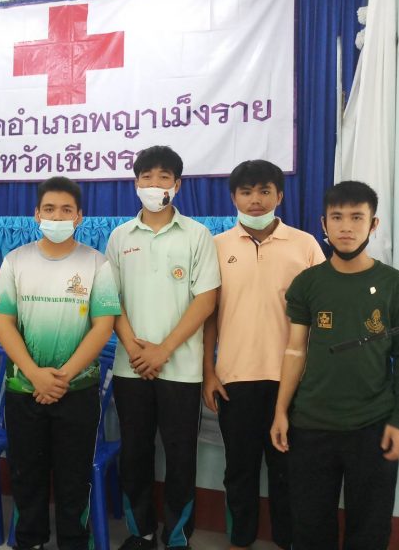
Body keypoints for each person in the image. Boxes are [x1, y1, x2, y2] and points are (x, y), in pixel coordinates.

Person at [270, 181, 399, 550]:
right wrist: (281, 411)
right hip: (311, 424)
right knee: (309, 527)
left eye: (357, 217)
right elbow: (295, 351)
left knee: (369, 529)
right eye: (337, 218)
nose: (346, 227)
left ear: (373, 224)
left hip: (373, 424)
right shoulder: (308, 283)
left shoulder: (396, 285)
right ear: (324, 224)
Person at [0, 176, 121, 550]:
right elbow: (3, 324)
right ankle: (28, 541)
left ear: (79, 216)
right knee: (25, 475)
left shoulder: (97, 263)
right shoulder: (15, 261)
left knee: (73, 479)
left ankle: (73, 543)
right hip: (23, 389)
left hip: (77, 391)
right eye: (49, 209)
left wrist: (61, 378)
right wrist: (35, 375)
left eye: (66, 210)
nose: (57, 216)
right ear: (36, 214)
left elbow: (103, 326)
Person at [202, 160, 325, 550]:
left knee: (288, 471)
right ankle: (240, 540)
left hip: (291, 381)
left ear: (279, 196)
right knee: (239, 471)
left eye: (264, 191)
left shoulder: (305, 245)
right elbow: (208, 318)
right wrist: (209, 373)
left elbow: (321, 317)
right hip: (234, 380)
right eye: (246, 192)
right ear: (234, 197)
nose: (255, 200)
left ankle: (288, 541)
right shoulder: (216, 247)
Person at [105, 146, 220, 550]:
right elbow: (110, 300)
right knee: (135, 453)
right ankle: (141, 532)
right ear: (136, 183)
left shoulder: (197, 235)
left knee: (180, 456)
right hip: (130, 368)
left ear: (178, 185)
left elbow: (206, 300)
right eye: (147, 177)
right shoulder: (120, 236)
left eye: (164, 177)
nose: (155, 184)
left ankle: (176, 536)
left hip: (182, 370)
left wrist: (163, 350)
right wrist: (136, 350)